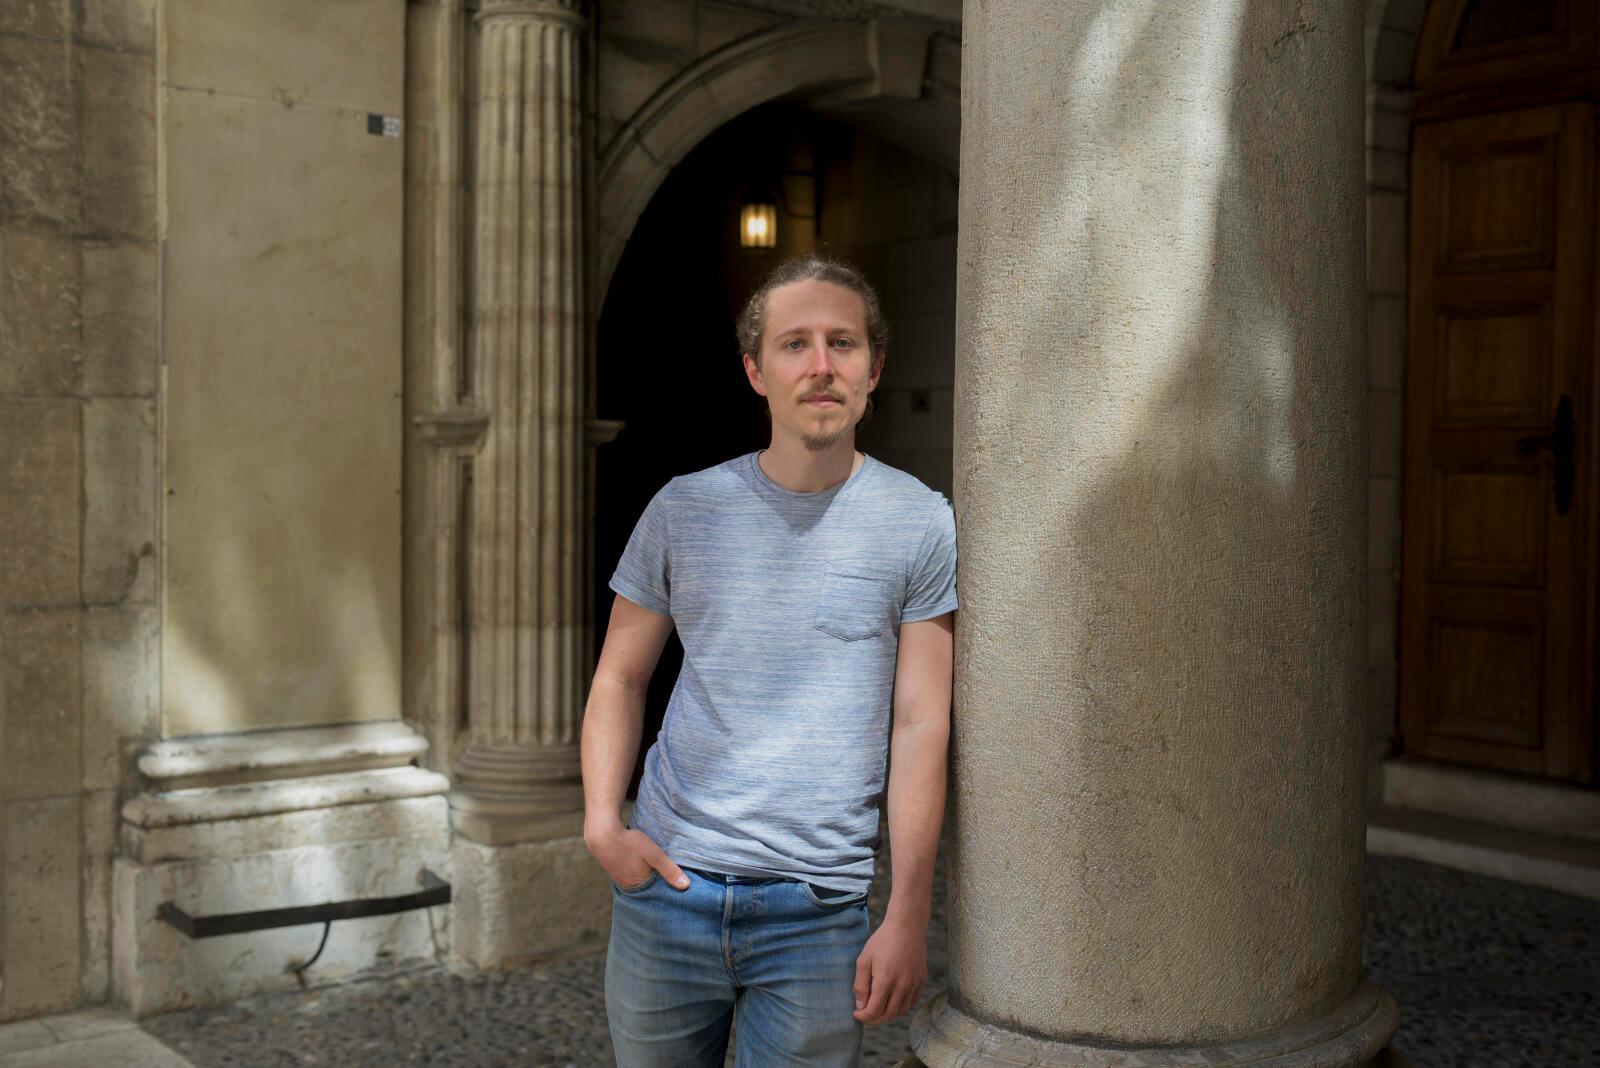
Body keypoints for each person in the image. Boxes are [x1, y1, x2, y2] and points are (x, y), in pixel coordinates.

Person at [581, 252, 957, 1067]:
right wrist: (604, 823)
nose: (820, 366)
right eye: (794, 345)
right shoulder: (685, 508)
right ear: (755, 371)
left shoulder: (920, 523)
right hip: (668, 893)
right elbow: (620, 675)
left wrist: (906, 913)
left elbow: (922, 723)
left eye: (842, 344)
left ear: (874, 367)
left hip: (818, 914)